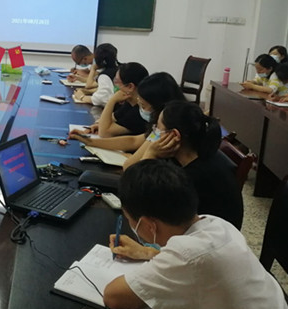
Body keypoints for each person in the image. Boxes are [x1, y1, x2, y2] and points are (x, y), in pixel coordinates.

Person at [104, 160, 288, 309]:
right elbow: (195, 264)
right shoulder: (215, 224)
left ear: (149, 225)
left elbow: (114, 296)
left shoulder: (186, 257)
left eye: (129, 219)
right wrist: (148, 252)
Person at [124, 99, 243, 228]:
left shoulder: (194, 175)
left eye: (157, 128)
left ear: (174, 135)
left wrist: (150, 154)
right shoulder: (199, 154)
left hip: (206, 237)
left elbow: (137, 199)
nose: (155, 134)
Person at [69, 72, 184, 154]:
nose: (115, 87)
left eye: (143, 105)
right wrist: (89, 141)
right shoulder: (158, 127)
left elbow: (107, 133)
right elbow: (134, 141)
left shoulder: (167, 132)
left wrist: (112, 100)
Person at [91, 62, 149, 137]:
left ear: (130, 86)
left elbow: (104, 133)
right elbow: (111, 118)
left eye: (116, 82)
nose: (115, 85)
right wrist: (98, 124)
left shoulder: (139, 113)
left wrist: (112, 101)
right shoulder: (129, 103)